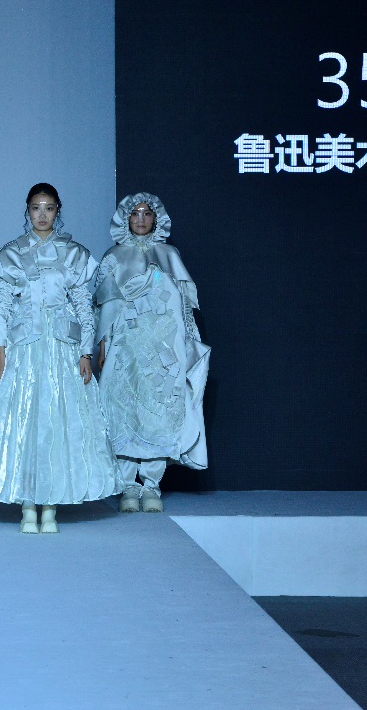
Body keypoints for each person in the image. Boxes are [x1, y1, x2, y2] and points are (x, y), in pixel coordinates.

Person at [0, 183, 121, 534]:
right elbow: (2, 308)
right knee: (25, 422)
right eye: (36, 207)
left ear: (57, 210)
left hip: (62, 349)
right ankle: (27, 504)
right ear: (27, 210)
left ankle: (50, 505)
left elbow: (83, 307)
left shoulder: (74, 254)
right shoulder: (12, 254)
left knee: (60, 421)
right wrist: (1, 351)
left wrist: (85, 351)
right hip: (24, 349)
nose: (42, 214)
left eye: (48, 207)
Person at [93, 192, 210, 513]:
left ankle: (152, 485)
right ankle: (128, 485)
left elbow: (183, 307)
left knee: (159, 409)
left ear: (156, 218)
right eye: (135, 213)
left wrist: (189, 343)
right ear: (125, 218)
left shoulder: (169, 254)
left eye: (147, 213)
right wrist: (102, 345)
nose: (141, 219)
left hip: (163, 351)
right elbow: (104, 306)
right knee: (123, 409)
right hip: (125, 347)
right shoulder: (114, 256)